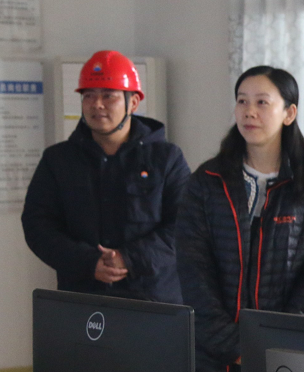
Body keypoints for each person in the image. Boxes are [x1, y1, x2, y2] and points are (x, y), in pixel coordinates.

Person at [177, 66, 304, 372]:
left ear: (289, 113)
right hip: (213, 360)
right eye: (242, 101)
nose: (249, 111)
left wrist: (276, 339)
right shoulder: (206, 182)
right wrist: (233, 345)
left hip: (286, 357)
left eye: (262, 102)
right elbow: (192, 271)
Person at [22, 50, 189, 303]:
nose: (97, 104)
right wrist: (87, 262)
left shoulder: (167, 159)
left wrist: (129, 258)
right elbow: (37, 225)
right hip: (81, 297)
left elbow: (186, 226)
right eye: (89, 95)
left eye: (108, 95)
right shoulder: (58, 160)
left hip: (153, 302)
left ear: (133, 102)